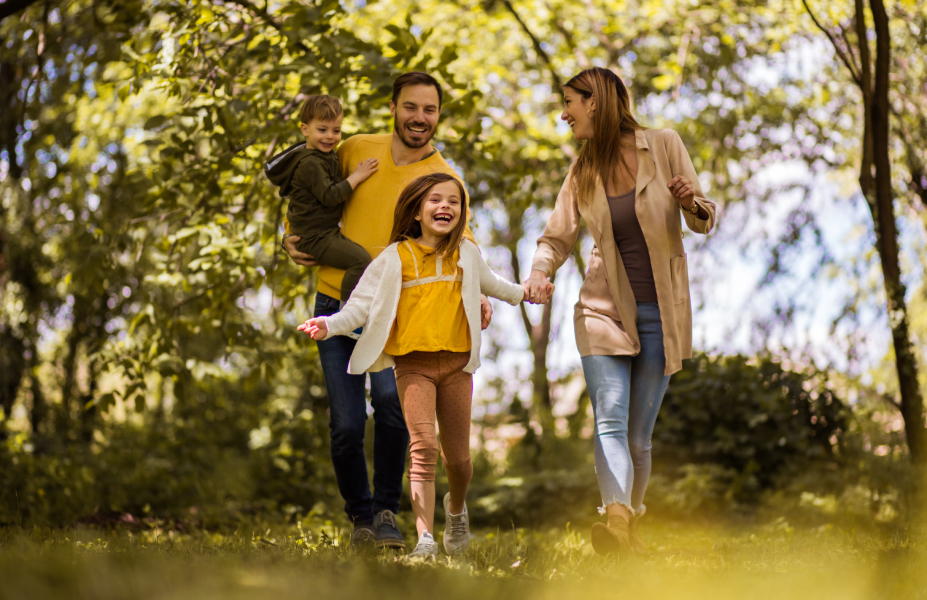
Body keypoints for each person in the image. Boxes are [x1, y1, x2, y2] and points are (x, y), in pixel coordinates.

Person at [282, 72, 495, 550]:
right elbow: (307, 191)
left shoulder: (443, 176)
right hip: (337, 299)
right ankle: (359, 516)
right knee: (346, 423)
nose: (420, 117)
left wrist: (478, 292)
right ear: (394, 107)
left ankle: (385, 514)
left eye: (430, 109)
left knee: (394, 412)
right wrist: (290, 240)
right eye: (411, 107)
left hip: (397, 313)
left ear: (439, 115)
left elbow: (464, 240)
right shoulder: (355, 148)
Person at [299, 173, 547, 559]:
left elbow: (496, 285)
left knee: (459, 460)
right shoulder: (393, 258)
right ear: (416, 211)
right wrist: (328, 325)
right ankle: (426, 539)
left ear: (462, 212)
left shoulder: (466, 253)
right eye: (435, 200)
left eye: (454, 201)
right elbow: (360, 306)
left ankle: (456, 509)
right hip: (413, 366)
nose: (445, 206)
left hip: (456, 365)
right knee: (423, 446)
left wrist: (527, 294)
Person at [523, 67, 716, 558]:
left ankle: (627, 531)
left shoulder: (664, 144)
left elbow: (703, 219)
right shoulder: (582, 171)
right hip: (602, 310)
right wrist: (540, 272)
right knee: (609, 420)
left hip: (660, 312)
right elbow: (556, 236)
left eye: (570, 103)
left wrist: (691, 202)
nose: (563, 114)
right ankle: (614, 521)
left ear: (597, 101)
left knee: (637, 439)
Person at [266, 95, 378, 306]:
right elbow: (329, 196)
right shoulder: (311, 163)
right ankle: (348, 314)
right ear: (305, 129)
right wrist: (357, 176)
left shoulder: (324, 156)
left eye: (336, 131)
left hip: (322, 231)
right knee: (360, 261)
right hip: (315, 236)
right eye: (322, 130)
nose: (330, 137)